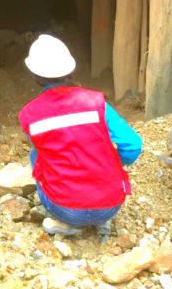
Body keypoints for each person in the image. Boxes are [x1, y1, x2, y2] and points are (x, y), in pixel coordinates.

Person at [18, 34, 142, 238]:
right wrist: (113, 163)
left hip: (65, 209)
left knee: (36, 154)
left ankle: (69, 225)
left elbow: (44, 150)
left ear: (35, 76)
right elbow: (133, 144)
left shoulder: (28, 115)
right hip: (111, 205)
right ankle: (101, 221)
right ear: (71, 69)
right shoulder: (97, 103)